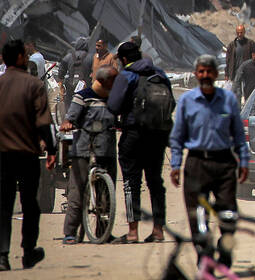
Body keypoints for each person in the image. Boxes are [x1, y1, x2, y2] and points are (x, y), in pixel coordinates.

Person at [168, 55, 249, 266]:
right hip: (196, 164)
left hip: (224, 164)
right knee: (196, 217)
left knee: (229, 215)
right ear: (196, 74)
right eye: (201, 72)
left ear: (216, 74)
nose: (205, 75)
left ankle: (225, 247)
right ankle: (204, 259)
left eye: (208, 72)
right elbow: (177, 137)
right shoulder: (187, 101)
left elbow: (239, 136)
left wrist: (244, 161)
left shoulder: (228, 99)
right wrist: (176, 165)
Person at [108, 40, 173, 244]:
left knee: (130, 182)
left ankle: (133, 232)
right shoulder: (160, 74)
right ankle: (158, 230)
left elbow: (114, 106)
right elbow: (170, 103)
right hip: (158, 135)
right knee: (155, 182)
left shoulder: (126, 76)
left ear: (124, 59)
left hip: (134, 134)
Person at [0, 39, 54, 270]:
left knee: (3, 204)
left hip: (2, 155)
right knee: (30, 203)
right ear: (21, 58)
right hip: (27, 154)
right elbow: (43, 122)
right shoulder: (34, 85)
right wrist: (51, 149)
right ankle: (28, 251)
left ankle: (2, 255)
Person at [62, 65, 118, 244]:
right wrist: (68, 123)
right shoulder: (83, 96)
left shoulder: (114, 99)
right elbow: (70, 118)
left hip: (106, 151)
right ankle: (70, 233)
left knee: (106, 197)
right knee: (77, 192)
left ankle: (103, 232)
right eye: (114, 80)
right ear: (105, 81)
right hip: (84, 150)